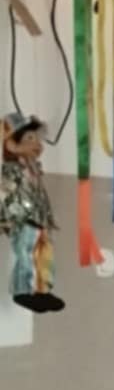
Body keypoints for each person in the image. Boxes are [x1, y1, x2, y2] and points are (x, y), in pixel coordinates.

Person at [1, 112, 63, 312]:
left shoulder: (34, 169)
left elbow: (41, 196)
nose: (37, 144)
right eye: (29, 138)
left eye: (37, 139)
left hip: (39, 218)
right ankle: (23, 291)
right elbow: (4, 193)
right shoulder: (12, 170)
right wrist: (3, 218)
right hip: (22, 218)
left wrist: (48, 217)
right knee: (26, 254)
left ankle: (42, 290)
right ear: (11, 144)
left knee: (45, 254)